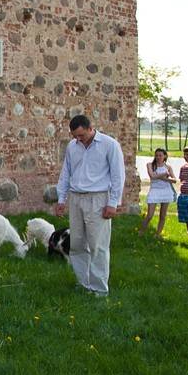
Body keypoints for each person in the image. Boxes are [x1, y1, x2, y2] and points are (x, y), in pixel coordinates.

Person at [55, 114, 125, 297]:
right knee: (77, 243)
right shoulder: (72, 147)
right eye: (75, 136)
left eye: (81, 135)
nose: (79, 139)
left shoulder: (109, 145)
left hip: (98, 198)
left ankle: (99, 288)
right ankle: (83, 283)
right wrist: (61, 198)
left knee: (98, 245)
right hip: (76, 198)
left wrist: (113, 203)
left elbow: (118, 176)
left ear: (90, 128)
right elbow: (66, 173)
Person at [138, 147, 176, 236]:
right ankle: (141, 232)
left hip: (166, 190)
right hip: (155, 190)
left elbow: (174, 180)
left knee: (163, 215)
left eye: (160, 155)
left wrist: (163, 178)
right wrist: (164, 175)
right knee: (149, 215)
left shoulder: (168, 167)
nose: (158, 157)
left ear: (165, 156)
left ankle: (158, 234)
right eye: (156, 155)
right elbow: (152, 176)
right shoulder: (150, 165)